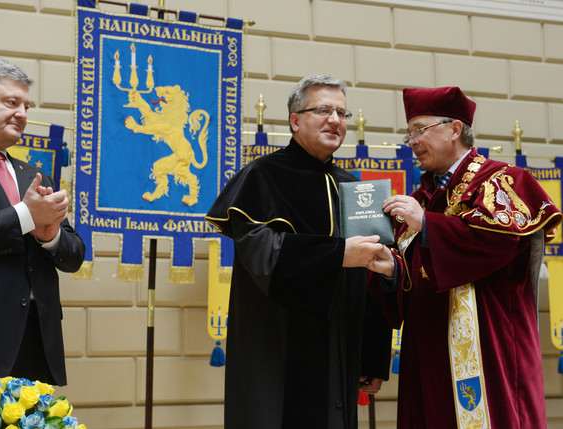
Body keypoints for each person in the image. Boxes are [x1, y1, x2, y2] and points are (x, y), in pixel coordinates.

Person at [206, 75, 401, 429]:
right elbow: (265, 256)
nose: (335, 120)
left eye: (342, 113)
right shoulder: (262, 177)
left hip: (338, 355)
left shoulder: (354, 189)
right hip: (278, 354)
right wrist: (337, 254)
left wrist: (372, 357)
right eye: (323, 110)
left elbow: (368, 279)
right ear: (295, 121)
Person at [382, 86, 562, 429]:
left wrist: (427, 225)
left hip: (490, 354)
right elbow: (412, 279)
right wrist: (390, 269)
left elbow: (492, 243)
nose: (412, 141)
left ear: (454, 129)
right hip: (427, 357)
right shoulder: (423, 198)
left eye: (420, 129)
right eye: (410, 133)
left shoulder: (503, 181)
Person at [0, 56, 86, 409]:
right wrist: (25, 216)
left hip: (35, 346)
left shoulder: (33, 175)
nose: (22, 113)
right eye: (11, 102)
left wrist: (49, 235)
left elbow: (72, 255)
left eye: (26, 105)